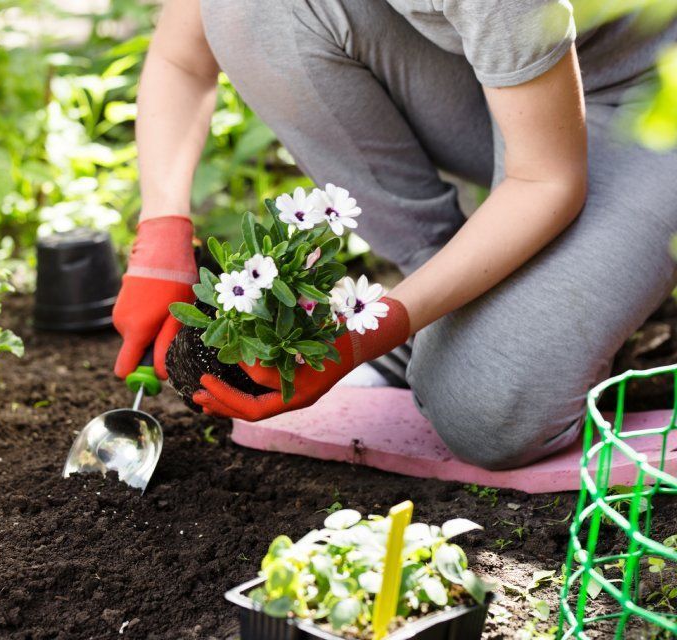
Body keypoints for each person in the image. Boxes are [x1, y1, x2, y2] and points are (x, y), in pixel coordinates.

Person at [111, 0, 677, 470]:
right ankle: (446, 307)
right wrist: (161, 234)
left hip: (650, 100)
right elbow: (182, 57)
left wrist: (364, 336)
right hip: (511, 91)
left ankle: (499, 323)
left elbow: (545, 180)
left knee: (484, 413)